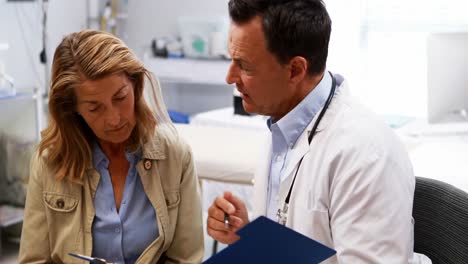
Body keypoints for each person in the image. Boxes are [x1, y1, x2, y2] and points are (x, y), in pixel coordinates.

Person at [207, 0, 431, 263]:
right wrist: (247, 235)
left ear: (295, 70)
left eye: (244, 66)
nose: (230, 77)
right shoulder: (282, 124)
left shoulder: (366, 153)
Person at [19, 30, 203, 264]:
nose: (115, 119)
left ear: (135, 86)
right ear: (72, 108)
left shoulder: (174, 155)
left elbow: (187, 259)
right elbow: (33, 260)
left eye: (120, 97)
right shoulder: (49, 162)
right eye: (95, 108)